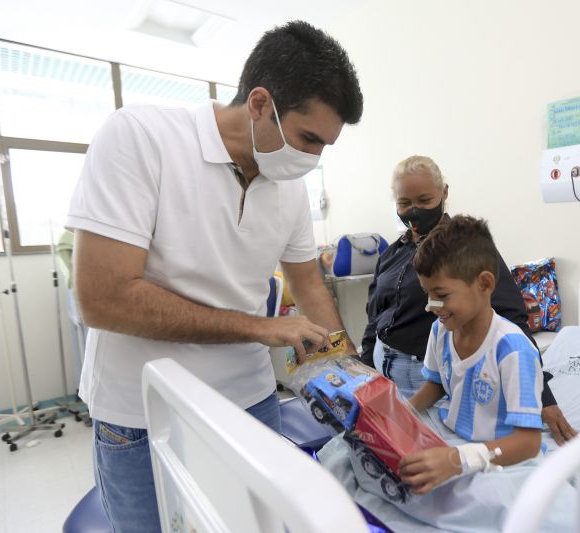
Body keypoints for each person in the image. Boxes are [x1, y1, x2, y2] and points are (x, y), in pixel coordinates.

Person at [66, 21, 363, 532]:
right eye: (307, 138)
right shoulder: (142, 138)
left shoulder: (287, 185)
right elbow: (103, 299)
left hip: (250, 403)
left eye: (325, 147)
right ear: (260, 103)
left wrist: (351, 370)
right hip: (145, 414)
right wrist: (262, 328)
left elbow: (309, 283)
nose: (313, 160)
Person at [360, 155, 577, 445]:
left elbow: (512, 320)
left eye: (424, 200)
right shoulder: (392, 253)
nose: (413, 211)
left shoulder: (465, 252)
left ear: (444, 193)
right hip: (383, 368)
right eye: (404, 204)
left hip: (420, 376)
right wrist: (364, 370)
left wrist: (543, 396)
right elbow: (375, 314)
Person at [400, 215, 543, 494]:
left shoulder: (512, 350)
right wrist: (403, 411)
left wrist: (458, 460)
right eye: (427, 294)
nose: (431, 305)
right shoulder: (441, 331)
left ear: (485, 284)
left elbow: (528, 443)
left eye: (440, 294)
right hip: (451, 435)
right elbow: (437, 384)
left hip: (500, 454)